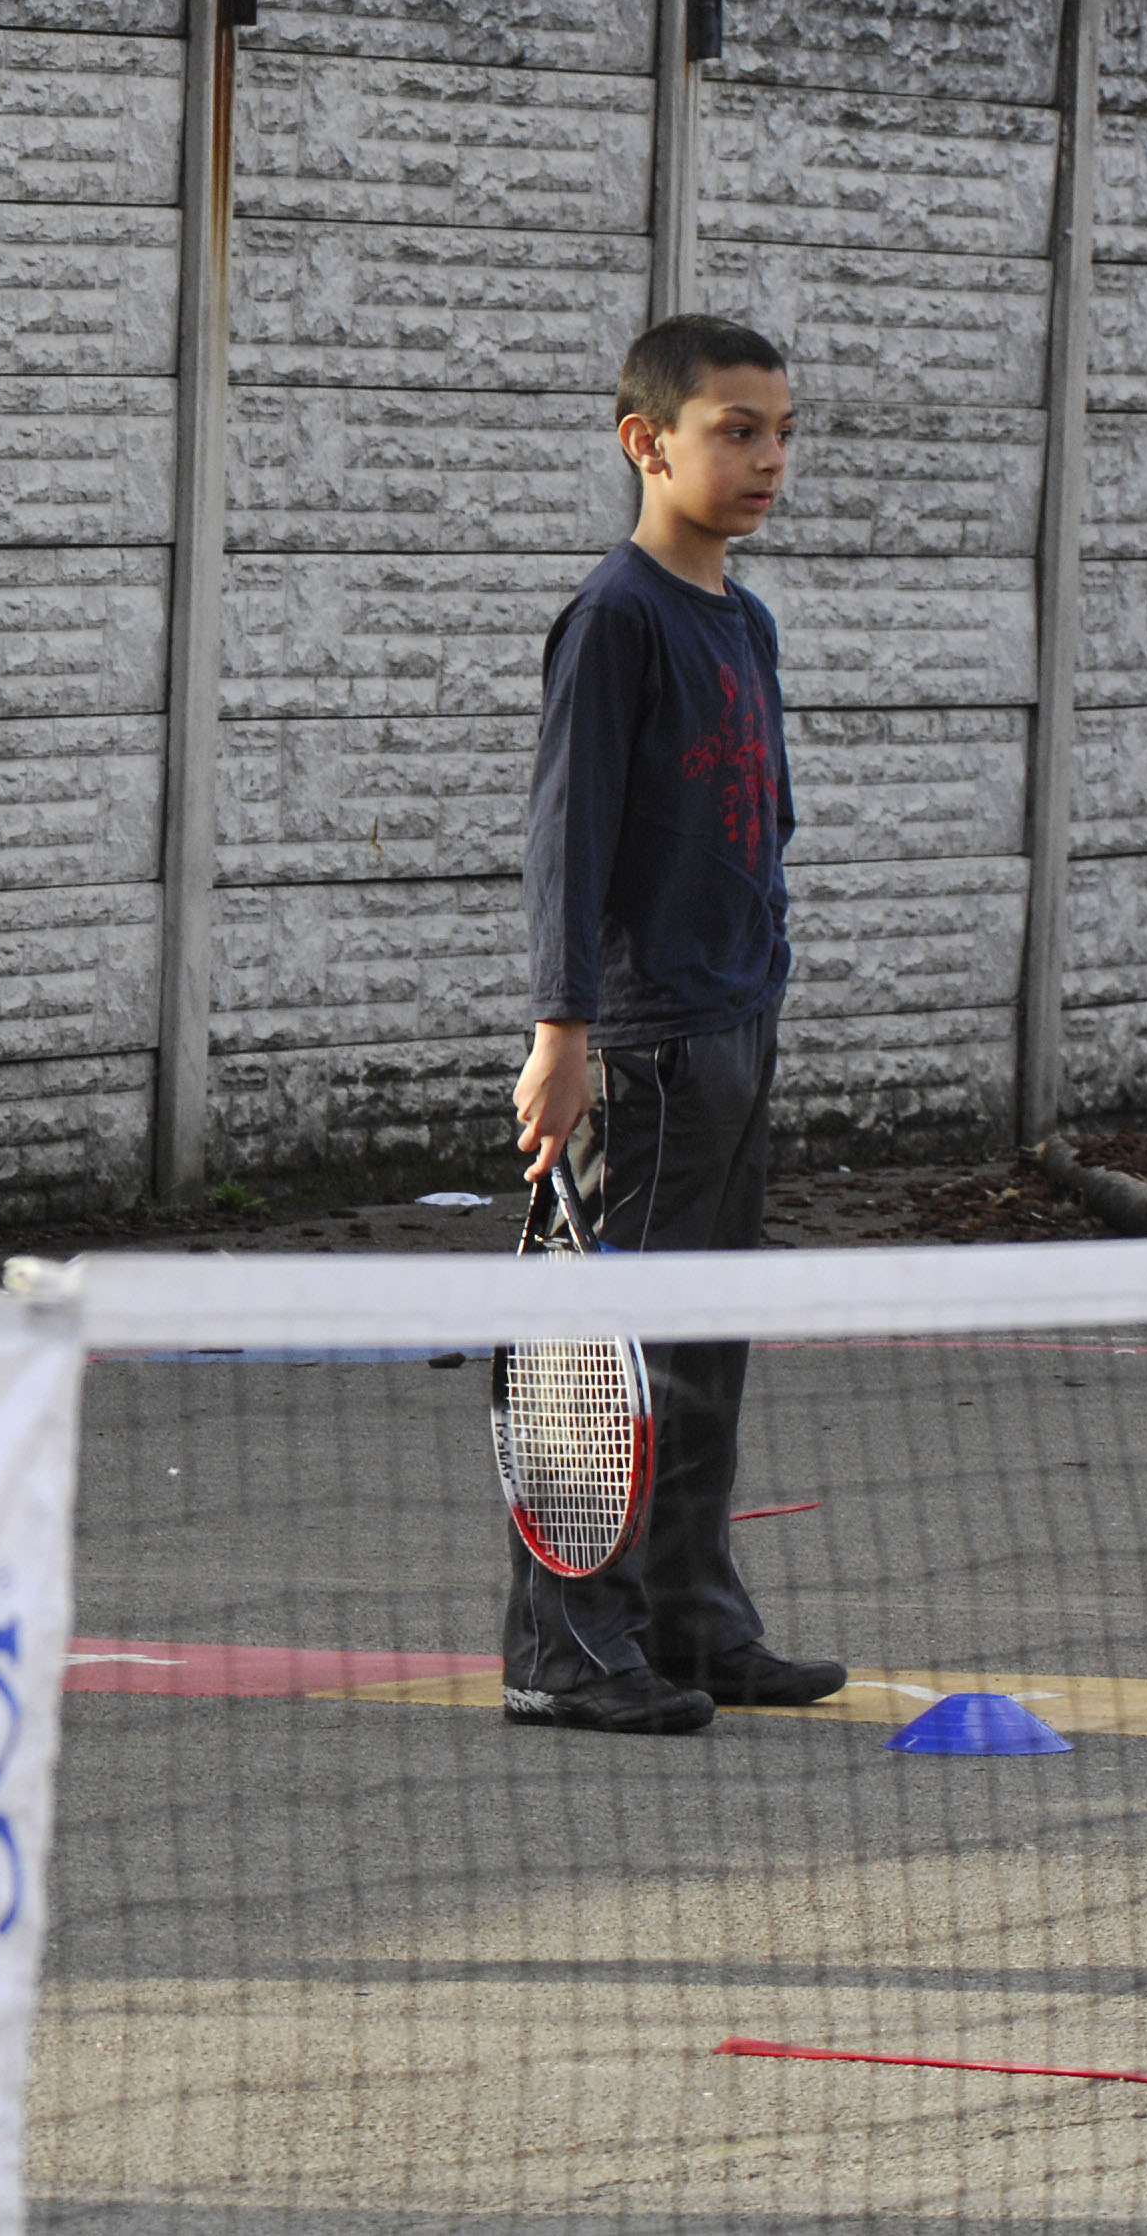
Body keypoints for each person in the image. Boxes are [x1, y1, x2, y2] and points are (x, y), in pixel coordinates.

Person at [502, 313, 850, 1737]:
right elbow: (567, 842)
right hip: (639, 1044)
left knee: (707, 1344)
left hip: (737, 1028)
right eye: (735, 430)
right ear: (646, 441)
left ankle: (694, 1619)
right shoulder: (616, 618)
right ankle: (566, 1645)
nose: (767, 457)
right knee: (611, 1361)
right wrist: (562, 1029)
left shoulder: (744, 621)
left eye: (780, 431)